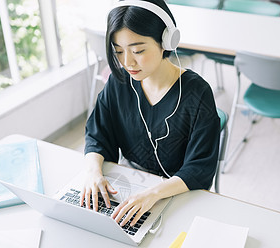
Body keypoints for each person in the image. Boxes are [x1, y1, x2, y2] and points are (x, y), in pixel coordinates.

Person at [81, 0, 220, 228]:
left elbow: (200, 168)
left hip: (178, 193)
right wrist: (92, 172)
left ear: (166, 41)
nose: (127, 62)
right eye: (119, 51)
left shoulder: (197, 93)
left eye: (138, 51)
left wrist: (152, 194)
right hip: (129, 185)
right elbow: (98, 134)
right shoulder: (120, 81)